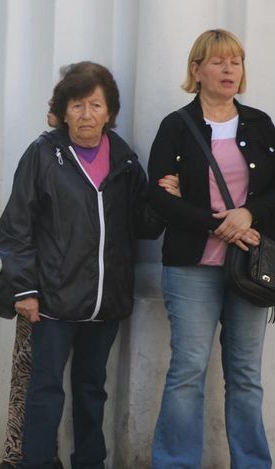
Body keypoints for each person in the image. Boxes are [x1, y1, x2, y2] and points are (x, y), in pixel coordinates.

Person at [0, 61, 163, 469]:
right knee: (46, 389)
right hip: (51, 300)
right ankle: (34, 463)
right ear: (63, 110)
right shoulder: (43, 154)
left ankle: (90, 462)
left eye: (95, 105)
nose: (86, 116)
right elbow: (15, 226)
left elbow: (142, 226)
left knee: (92, 390)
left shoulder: (125, 160)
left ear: (110, 112)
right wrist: (25, 289)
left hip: (104, 302)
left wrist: (162, 199)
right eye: (77, 106)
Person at [149, 29, 275, 468]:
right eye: (218, 61)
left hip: (251, 267)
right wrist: (219, 224)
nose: (228, 70)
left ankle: (254, 464)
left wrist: (250, 215)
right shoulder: (176, 126)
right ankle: (175, 463)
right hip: (191, 268)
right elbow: (159, 197)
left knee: (245, 376)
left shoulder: (260, 124)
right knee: (188, 371)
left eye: (235, 62)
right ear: (196, 70)